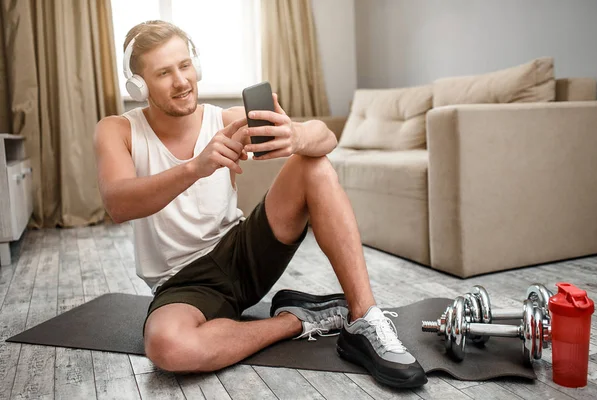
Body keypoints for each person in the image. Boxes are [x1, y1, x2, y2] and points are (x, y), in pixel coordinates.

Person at [93, 20, 427, 388]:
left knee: (312, 164)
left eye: (185, 66)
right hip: (184, 284)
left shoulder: (225, 120)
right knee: (167, 346)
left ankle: (364, 317)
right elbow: (118, 203)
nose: (182, 81)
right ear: (138, 85)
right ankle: (299, 320)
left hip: (242, 253)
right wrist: (195, 167)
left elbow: (326, 137)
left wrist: (297, 135)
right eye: (163, 73)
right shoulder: (118, 129)